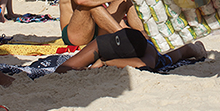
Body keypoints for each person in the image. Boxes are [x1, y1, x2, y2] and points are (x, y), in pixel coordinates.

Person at [55, 28, 206, 73]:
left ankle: (196, 48)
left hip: (151, 48)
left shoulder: (149, 51)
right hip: (134, 37)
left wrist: (106, 62)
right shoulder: (100, 43)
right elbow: (63, 69)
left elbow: (146, 65)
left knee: (179, 52)